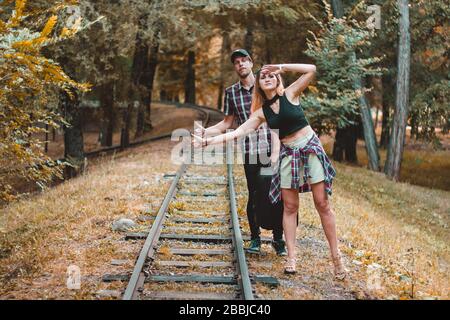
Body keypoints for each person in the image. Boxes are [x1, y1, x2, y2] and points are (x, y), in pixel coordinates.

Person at [192, 63, 347, 279]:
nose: (267, 77)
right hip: (289, 154)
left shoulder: (291, 94)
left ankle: (336, 257)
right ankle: (291, 258)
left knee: (322, 203)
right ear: (260, 85)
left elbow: (311, 69)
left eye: (270, 75)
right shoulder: (261, 113)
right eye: (263, 76)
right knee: (290, 207)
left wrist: (281, 67)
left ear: (276, 79)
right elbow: (237, 132)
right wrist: (207, 141)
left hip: (310, 148)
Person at [195, 49, 287, 256]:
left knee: (276, 194)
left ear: (251, 63)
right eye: (237, 62)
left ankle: (278, 239)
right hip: (250, 150)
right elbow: (228, 123)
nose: (241, 65)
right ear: (235, 67)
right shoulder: (231, 92)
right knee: (254, 194)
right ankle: (255, 239)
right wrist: (206, 132)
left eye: (244, 61)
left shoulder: (265, 83)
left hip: (273, 148)